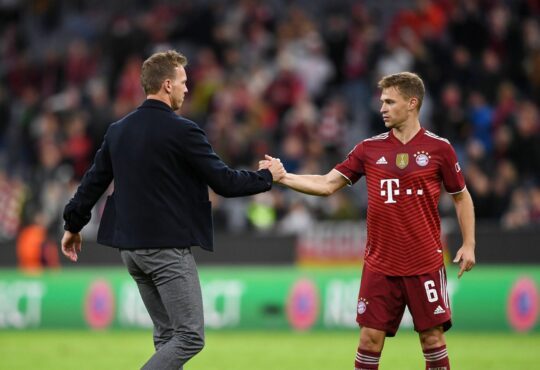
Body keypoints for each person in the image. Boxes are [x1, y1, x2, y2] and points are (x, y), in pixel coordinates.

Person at [61, 50, 285, 370]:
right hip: (165, 248)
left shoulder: (118, 130)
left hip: (131, 250)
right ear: (167, 85)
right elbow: (224, 182)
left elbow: (92, 184)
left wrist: (72, 225)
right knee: (190, 336)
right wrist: (268, 177)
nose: (187, 88)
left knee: (167, 338)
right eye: (183, 82)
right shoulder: (183, 130)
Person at [262, 72, 475, 370]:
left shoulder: (439, 148)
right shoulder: (368, 149)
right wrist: (284, 177)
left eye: (390, 101)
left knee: (432, 340)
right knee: (369, 340)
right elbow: (326, 184)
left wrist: (469, 243)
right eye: (381, 102)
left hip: (424, 263)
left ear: (412, 103)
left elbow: (461, 196)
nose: (382, 108)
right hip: (380, 265)